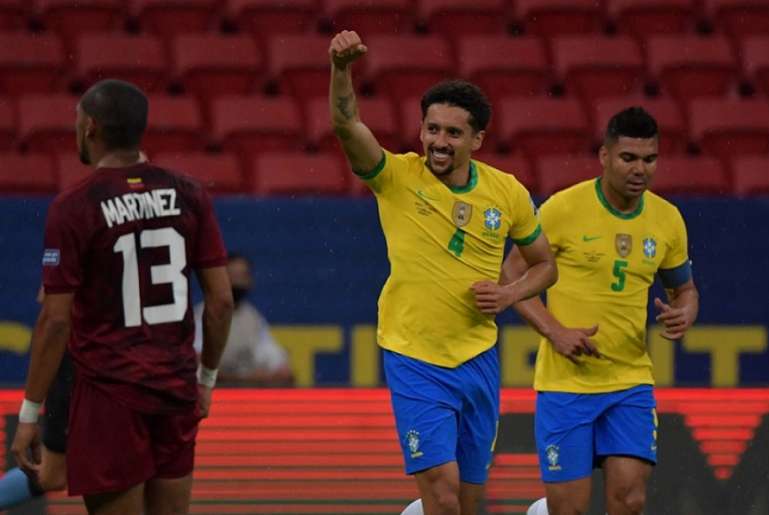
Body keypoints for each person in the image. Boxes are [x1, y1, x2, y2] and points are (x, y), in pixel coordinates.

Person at [329, 30, 558, 515]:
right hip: (414, 356)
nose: (439, 141)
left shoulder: (507, 192)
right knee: (442, 489)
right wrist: (341, 70)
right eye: (432, 129)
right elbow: (347, 126)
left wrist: (510, 293)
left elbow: (545, 265)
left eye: (453, 133)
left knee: (469, 500)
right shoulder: (396, 178)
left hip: (477, 358)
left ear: (477, 139)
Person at [10, 79, 234, 515]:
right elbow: (221, 302)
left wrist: (30, 412)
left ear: (90, 127)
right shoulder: (189, 194)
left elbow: (55, 321)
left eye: (76, 121)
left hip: (109, 396)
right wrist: (205, 381)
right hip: (174, 389)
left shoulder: (74, 206)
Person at [507, 107, 700, 515]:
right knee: (569, 510)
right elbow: (512, 279)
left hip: (629, 381)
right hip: (566, 386)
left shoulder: (667, 220)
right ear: (605, 157)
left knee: (629, 500)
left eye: (649, 159)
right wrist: (555, 332)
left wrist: (685, 312)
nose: (640, 169)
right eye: (628, 158)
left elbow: (684, 289)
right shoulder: (563, 208)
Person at [0, 287, 69, 509]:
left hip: (144, 370)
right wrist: (29, 414)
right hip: (86, 368)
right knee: (52, 474)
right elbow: (51, 306)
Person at [193, 252, 293, 386]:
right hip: (214, 393)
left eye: (242, 276)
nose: (238, 282)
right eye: (233, 276)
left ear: (250, 281)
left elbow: (282, 370)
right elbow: (199, 369)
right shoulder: (201, 315)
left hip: (246, 395)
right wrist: (244, 379)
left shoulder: (252, 318)